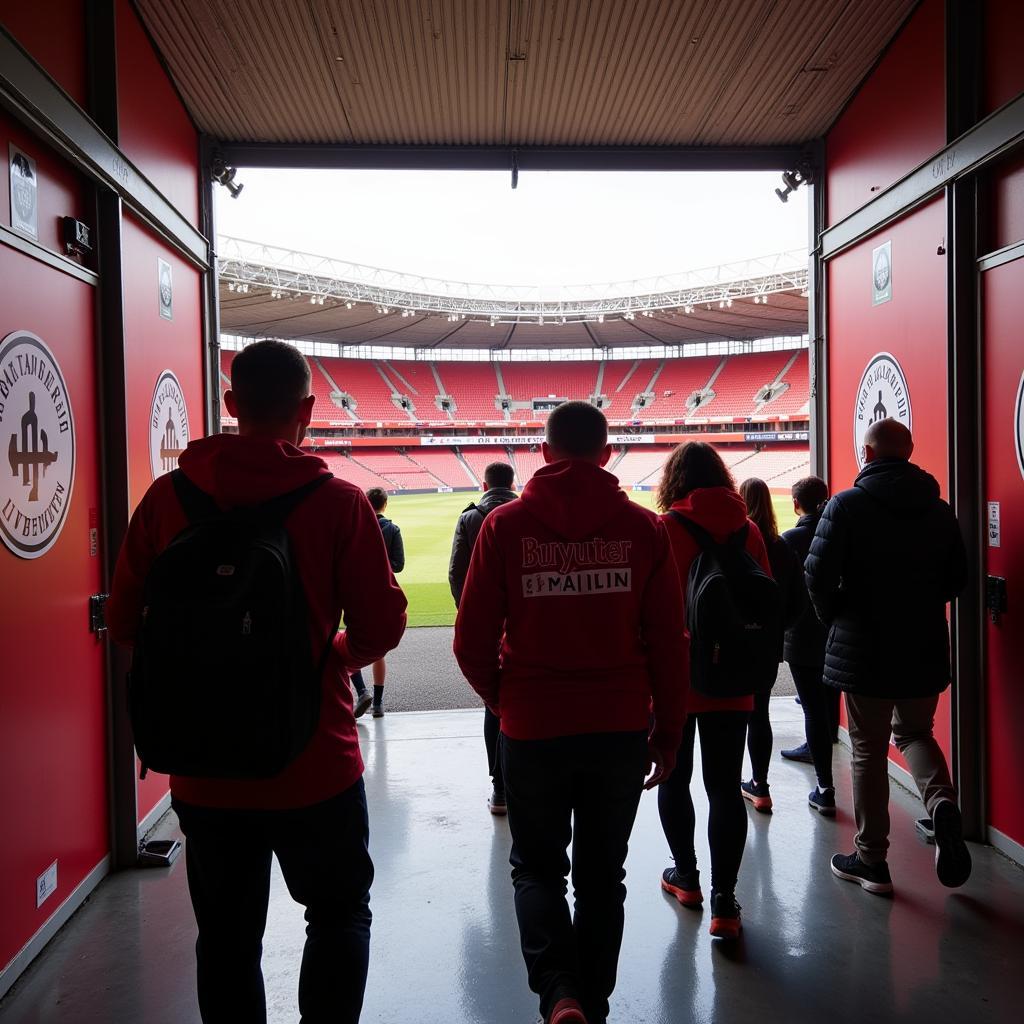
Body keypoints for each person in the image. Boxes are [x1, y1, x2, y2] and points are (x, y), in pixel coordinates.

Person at [107, 340, 407, 1024]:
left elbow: (126, 623)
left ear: (232, 406)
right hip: (316, 762)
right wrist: (332, 652)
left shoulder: (165, 499)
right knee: (337, 917)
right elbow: (382, 626)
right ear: (307, 409)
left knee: (226, 940)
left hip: (203, 768)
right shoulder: (339, 503)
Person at [454, 401, 686, 1024]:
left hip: (532, 727)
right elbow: (669, 644)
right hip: (617, 729)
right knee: (602, 877)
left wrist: (506, 700)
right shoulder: (645, 530)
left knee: (536, 870)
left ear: (547, 452)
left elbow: (470, 642)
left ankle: (560, 996)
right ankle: (596, 997)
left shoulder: (504, 528)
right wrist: (667, 732)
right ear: (606, 455)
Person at [806, 418, 971, 895]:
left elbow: (816, 577)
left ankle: (872, 859)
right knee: (917, 733)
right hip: (922, 646)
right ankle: (941, 804)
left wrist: (836, 617)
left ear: (868, 453)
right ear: (910, 452)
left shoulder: (846, 505)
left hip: (864, 650)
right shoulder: (939, 511)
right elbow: (956, 581)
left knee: (867, 750)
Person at [656, 442, 771, 940]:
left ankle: (687, 877)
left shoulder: (661, 530)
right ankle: (726, 901)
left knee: (673, 779)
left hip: (675, 680)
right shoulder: (748, 531)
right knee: (725, 787)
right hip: (732, 677)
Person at [448, 460, 518, 815]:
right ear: (511, 481)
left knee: (495, 704)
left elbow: (456, 572)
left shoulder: (470, 517)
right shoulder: (528, 512)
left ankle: (501, 789)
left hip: (488, 622)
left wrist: (472, 617)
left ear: (485, 482)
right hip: (525, 624)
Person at [737, 477, 802, 814]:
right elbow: (796, 601)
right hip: (767, 643)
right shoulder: (781, 545)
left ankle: (731, 782)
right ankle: (760, 785)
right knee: (759, 714)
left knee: (733, 714)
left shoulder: (735, 542)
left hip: (735, 644)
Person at [778, 476, 837, 814]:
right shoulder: (838, 533)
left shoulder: (791, 539)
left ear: (796, 504)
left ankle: (825, 786)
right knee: (827, 704)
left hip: (801, 637)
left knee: (813, 707)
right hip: (835, 633)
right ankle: (824, 757)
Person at [352, 487, 405, 719]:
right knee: (378, 651)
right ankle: (378, 704)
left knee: (350, 642)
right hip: (383, 592)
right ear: (385, 504)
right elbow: (398, 564)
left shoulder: (355, 526)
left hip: (356, 591)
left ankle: (362, 691)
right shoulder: (392, 529)